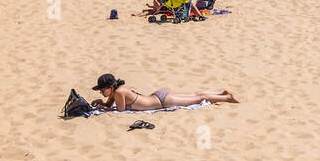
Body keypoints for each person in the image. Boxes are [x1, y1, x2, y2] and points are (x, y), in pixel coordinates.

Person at [91, 73, 239, 111]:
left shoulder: (119, 93)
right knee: (196, 95)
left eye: (102, 90)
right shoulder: (117, 91)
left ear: (110, 88)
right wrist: (103, 103)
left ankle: (226, 97)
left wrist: (103, 107)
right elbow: (110, 105)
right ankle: (220, 93)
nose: (101, 93)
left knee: (199, 99)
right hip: (159, 96)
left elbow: (121, 109)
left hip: (163, 101)